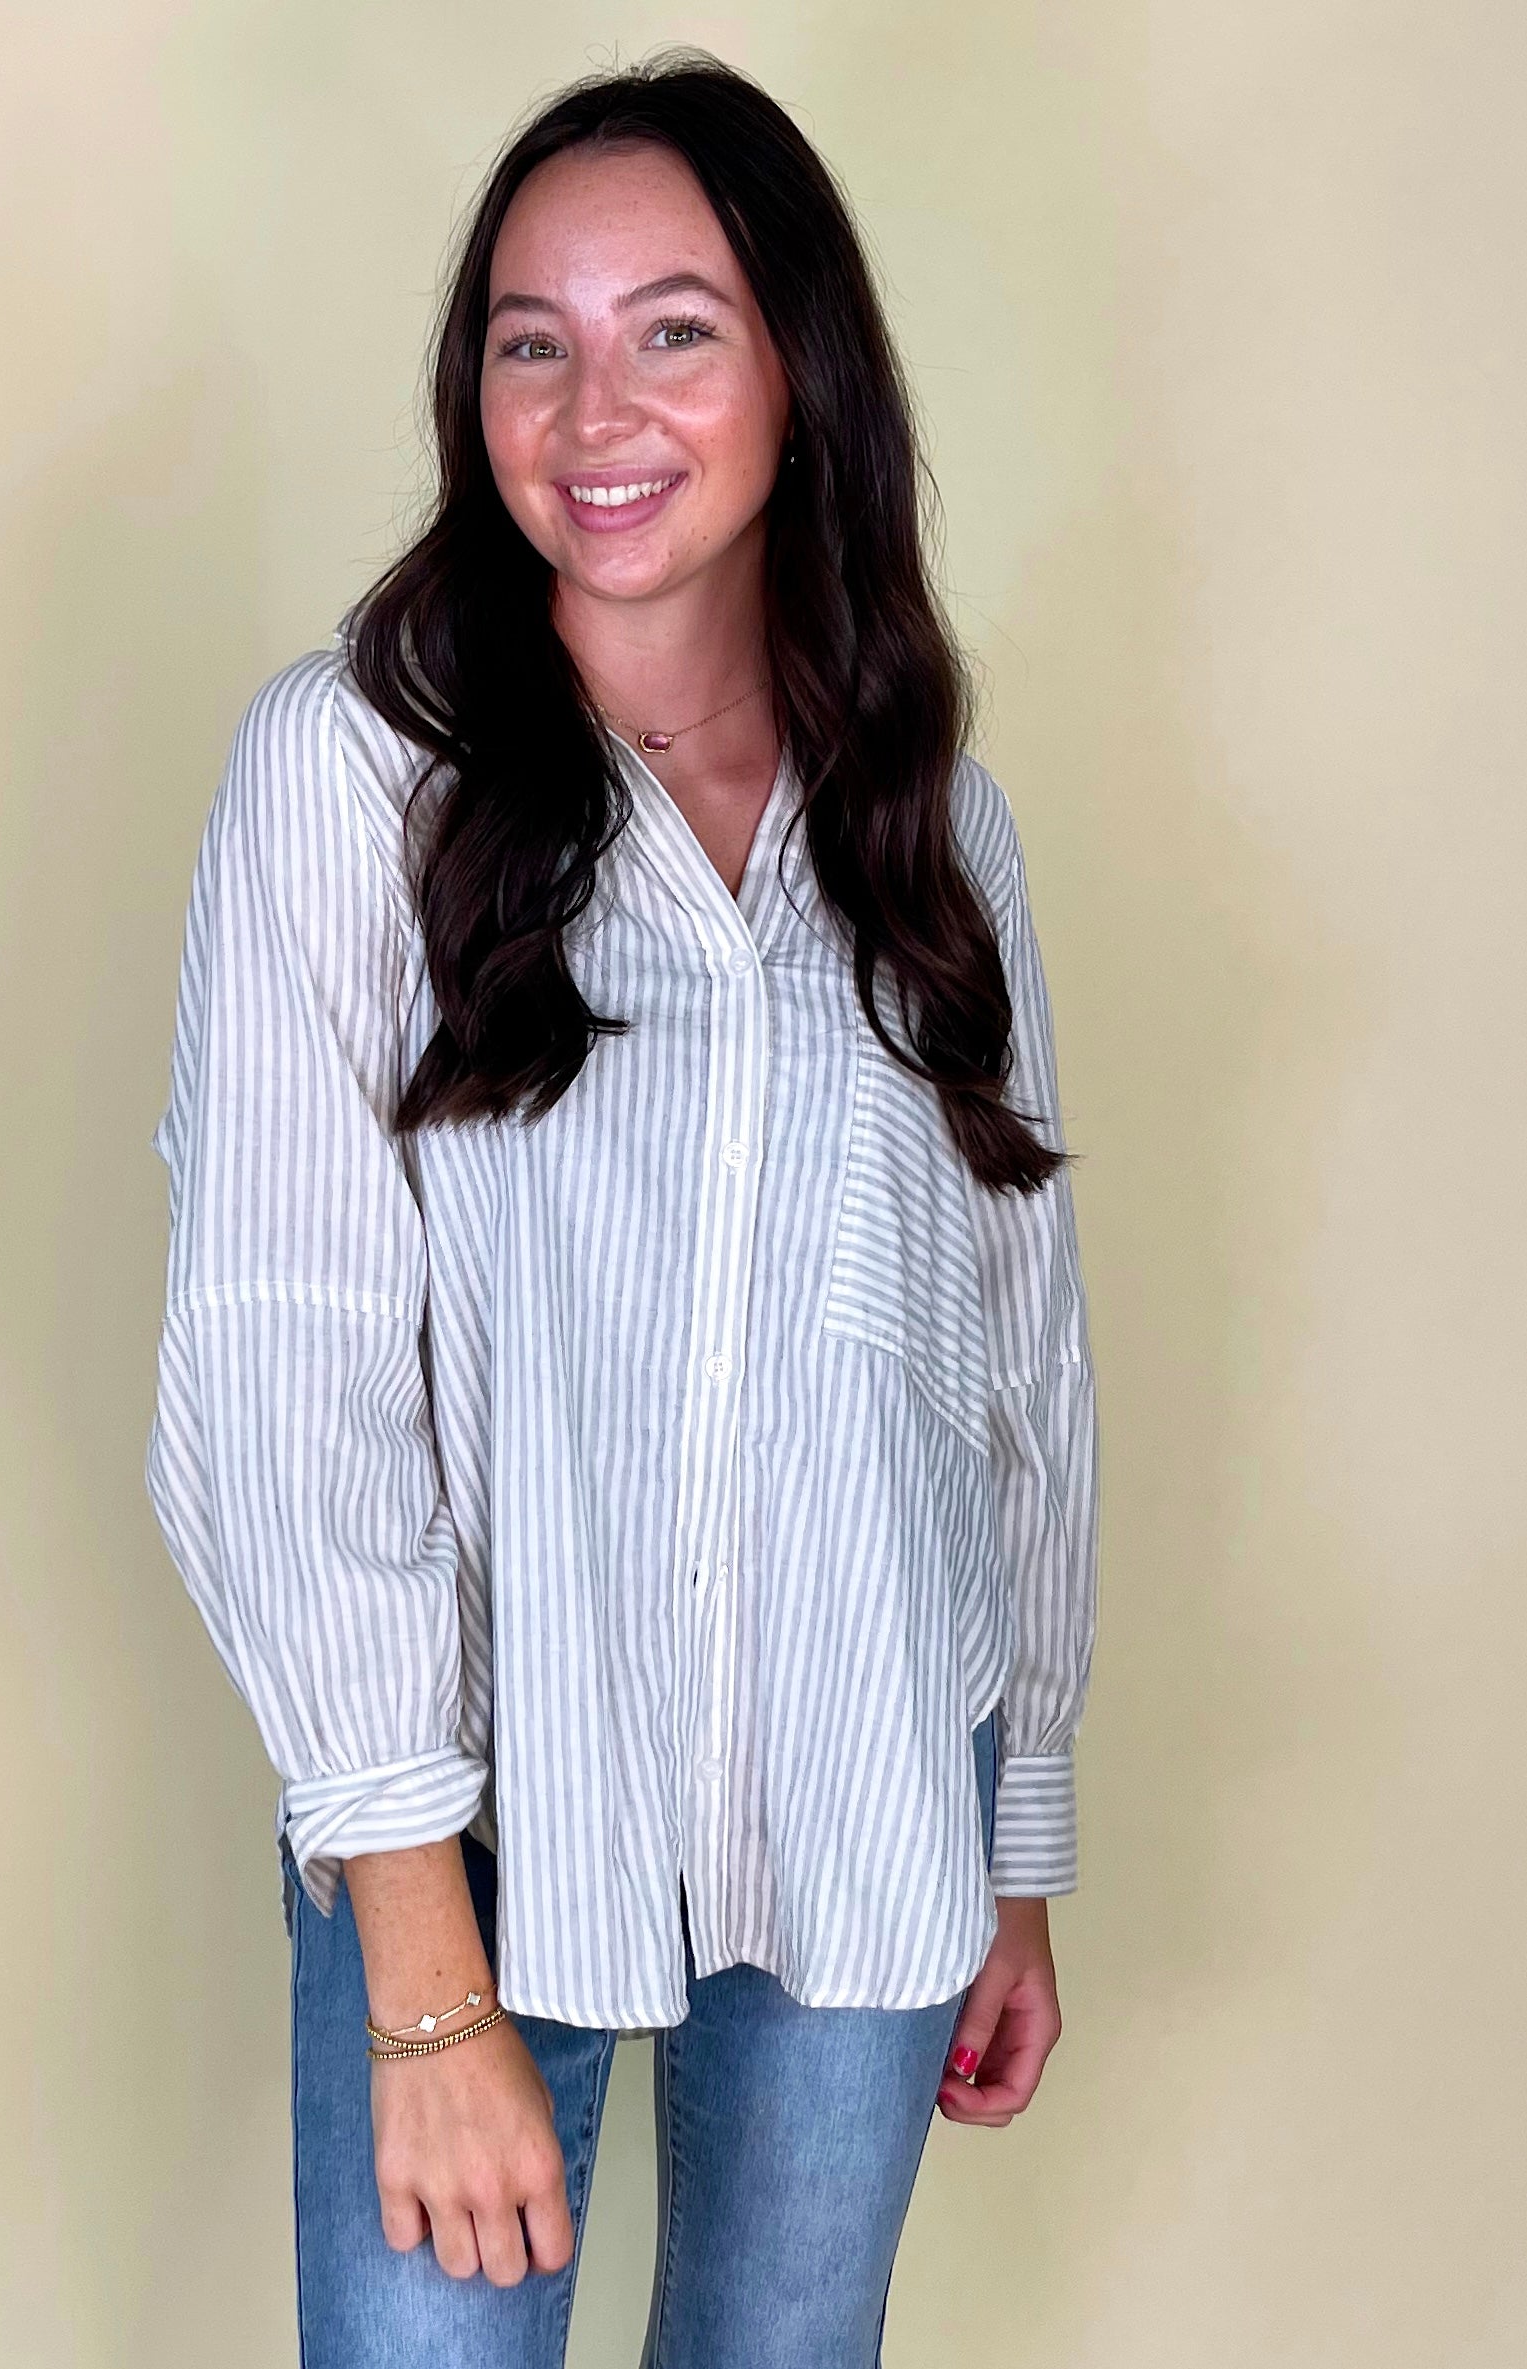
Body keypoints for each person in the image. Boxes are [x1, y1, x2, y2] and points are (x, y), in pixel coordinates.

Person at [144, 48, 1099, 2369]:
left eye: (674, 329)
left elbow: (1012, 1354)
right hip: (466, 1835)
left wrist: (1013, 1847)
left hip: (875, 1797)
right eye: (529, 341)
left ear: (798, 372)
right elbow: (281, 1368)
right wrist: (419, 1986)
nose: (594, 411)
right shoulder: (346, 781)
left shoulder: (929, 829)